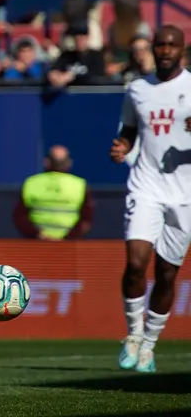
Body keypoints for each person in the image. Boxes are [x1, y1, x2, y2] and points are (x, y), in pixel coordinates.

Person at [110, 25, 191, 373]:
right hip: (146, 186)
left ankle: (149, 346)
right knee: (136, 262)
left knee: (168, 275)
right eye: (161, 44)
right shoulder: (138, 89)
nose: (166, 50)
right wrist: (123, 146)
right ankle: (133, 334)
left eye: (172, 45)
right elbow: (129, 129)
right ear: (153, 48)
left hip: (184, 194)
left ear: (182, 49)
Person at [13, 145, 94, 240]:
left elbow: (20, 216)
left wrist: (39, 235)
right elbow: (86, 220)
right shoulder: (80, 185)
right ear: (69, 163)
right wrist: (67, 239)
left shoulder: (32, 183)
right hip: (68, 247)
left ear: (46, 162)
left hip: (37, 245)